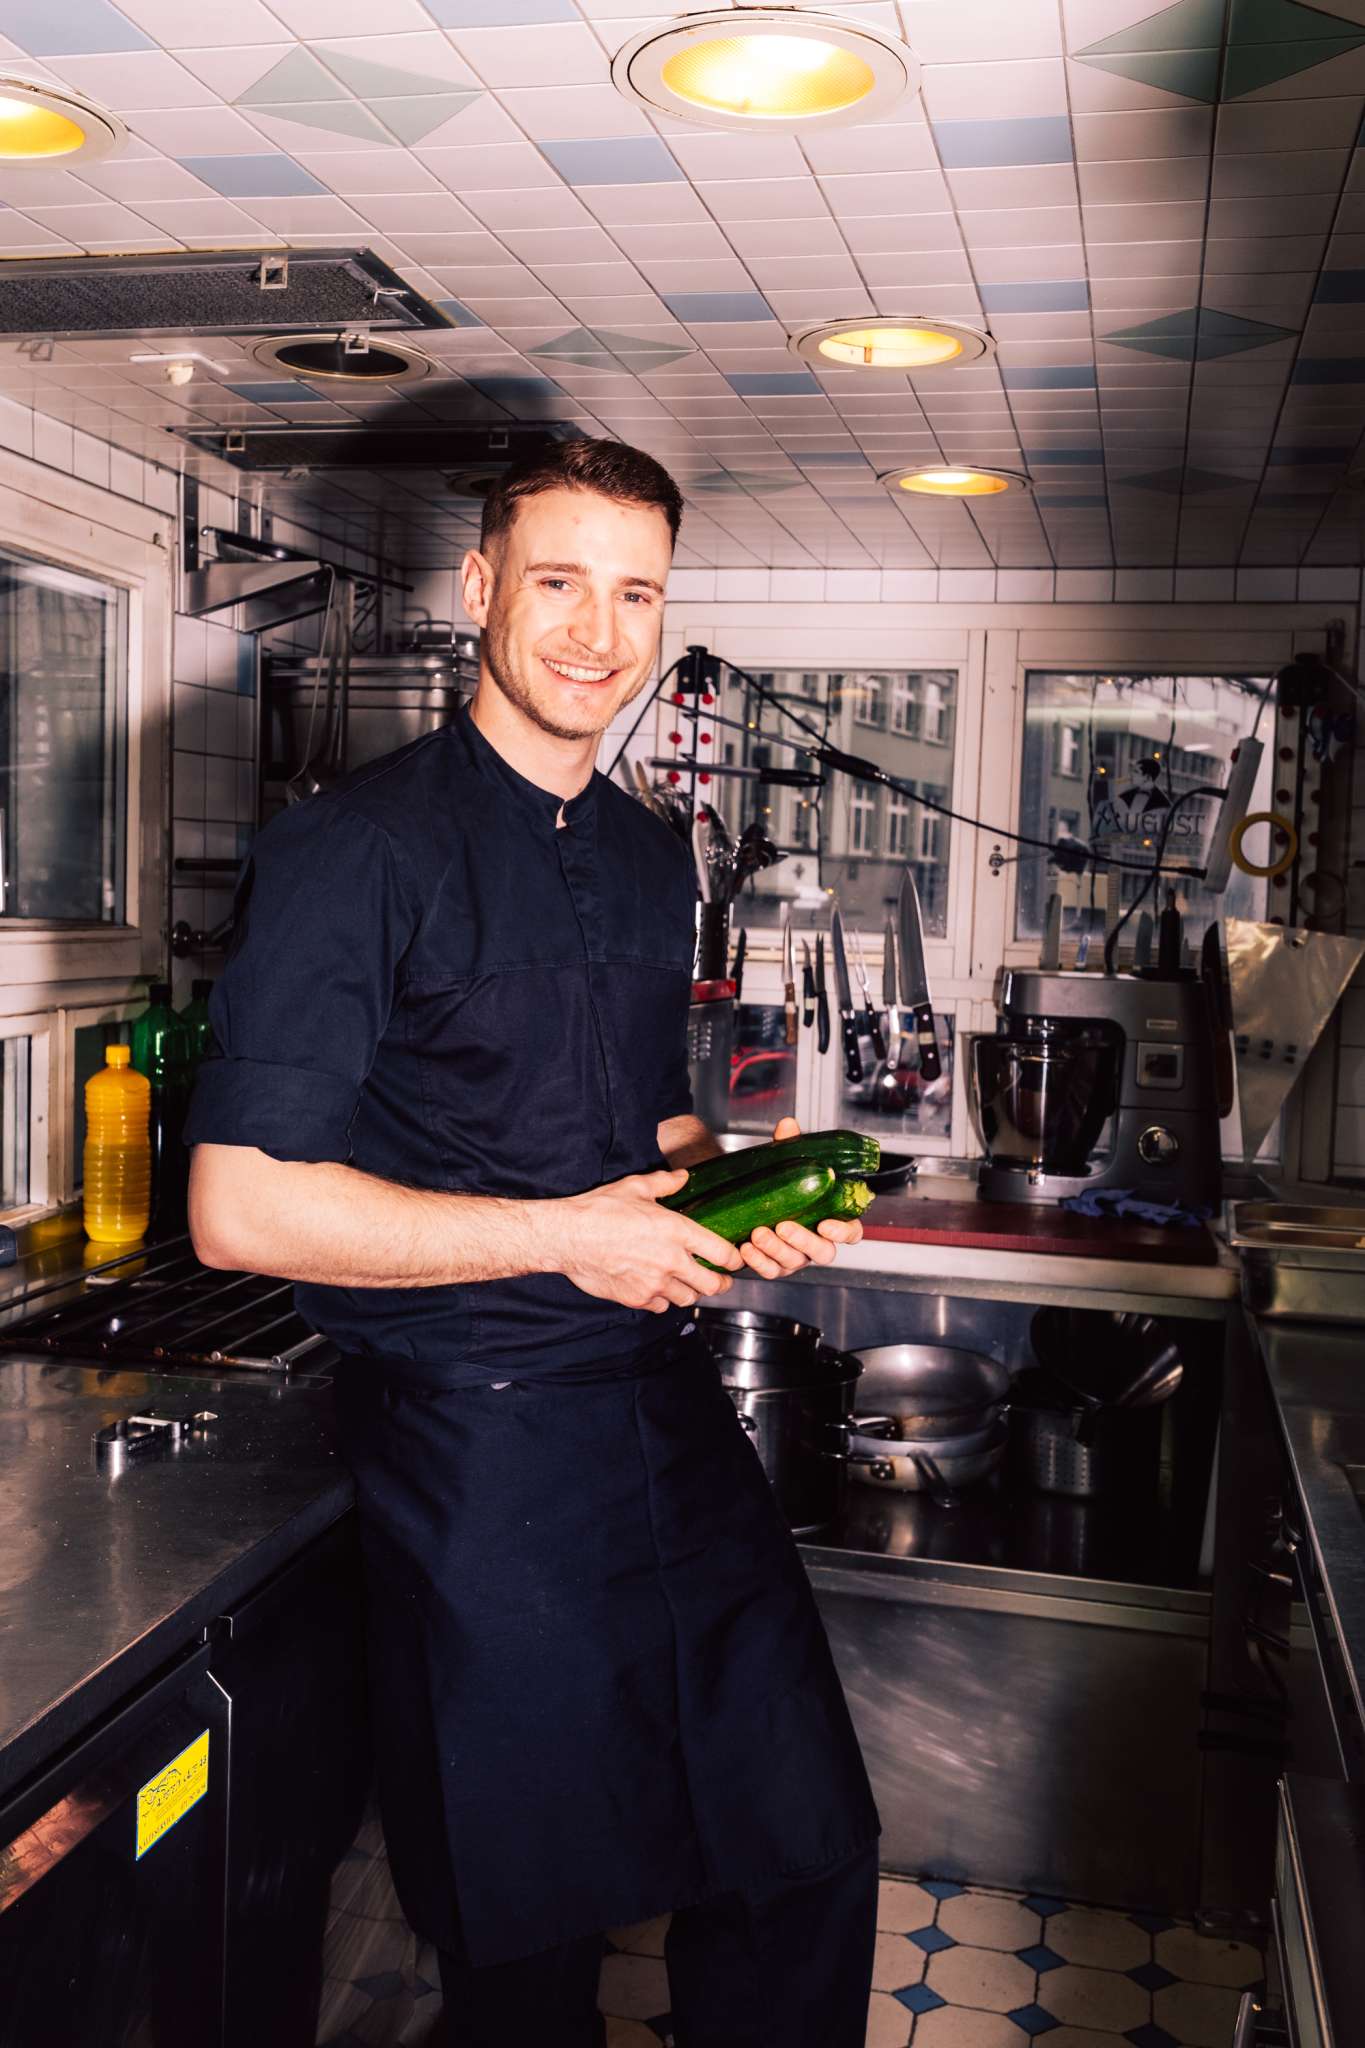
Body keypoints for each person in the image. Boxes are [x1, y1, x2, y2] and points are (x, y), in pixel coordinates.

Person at [186, 437, 879, 2048]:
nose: (597, 631)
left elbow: (651, 1121)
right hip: (474, 1448)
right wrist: (565, 1239)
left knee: (800, 1850)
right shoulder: (356, 852)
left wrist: (735, 1196)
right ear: (480, 587)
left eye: (636, 593)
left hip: (658, 1413)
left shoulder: (644, 853)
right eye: (558, 582)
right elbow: (240, 1206)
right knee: (530, 1927)